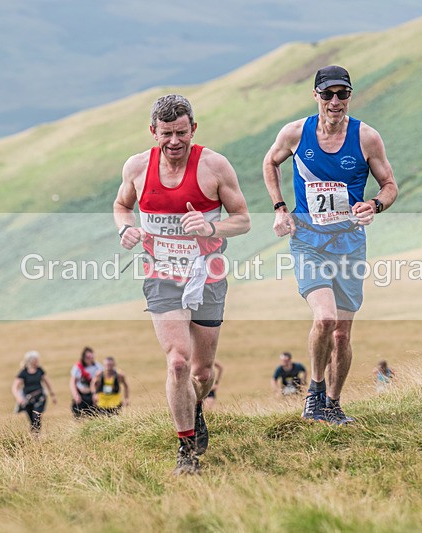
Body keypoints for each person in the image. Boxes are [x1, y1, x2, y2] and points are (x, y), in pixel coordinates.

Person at [114, 94, 250, 474]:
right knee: (177, 362)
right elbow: (122, 205)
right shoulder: (138, 167)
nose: (174, 141)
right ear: (153, 131)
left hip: (208, 272)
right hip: (161, 273)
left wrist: (211, 227)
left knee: (202, 373)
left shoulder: (214, 166)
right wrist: (126, 229)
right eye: (166, 134)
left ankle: (196, 405)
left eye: (181, 133)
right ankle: (186, 449)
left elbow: (242, 219)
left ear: (194, 128)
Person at [263, 65, 398, 424]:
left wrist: (375, 205)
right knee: (324, 318)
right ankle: (315, 393)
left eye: (342, 94)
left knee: (342, 333)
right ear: (316, 96)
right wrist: (280, 208)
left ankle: (334, 405)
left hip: (349, 242)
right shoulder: (295, 133)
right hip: (308, 239)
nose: (335, 101)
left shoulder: (367, 138)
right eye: (328, 94)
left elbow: (389, 185)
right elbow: (270, 162)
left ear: (350, 96)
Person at [12, 351, 57, 433]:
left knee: (36, 416)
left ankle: (36, 436)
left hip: (40, 397)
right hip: (28, 399)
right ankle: (35, 437)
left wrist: (52, 394)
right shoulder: (24, 372)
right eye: (36, 359)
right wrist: (19, 398)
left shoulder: (39, 370)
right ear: (31, 360)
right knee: (32, 419)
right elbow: (15, 386)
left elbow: (47, 382)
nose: (37, 361)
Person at [69, 346, 102, 418]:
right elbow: (72, 382)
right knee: (79, 416)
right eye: (88, 357)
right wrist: (75, 395)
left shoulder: (97, 366)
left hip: (93, 395)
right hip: (81, 396)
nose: (90, 359)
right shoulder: (78, 367)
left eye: (91, 357)